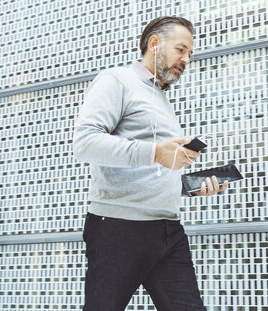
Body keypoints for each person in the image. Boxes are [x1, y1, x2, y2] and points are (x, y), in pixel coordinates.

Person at [73, 16, 228, 311]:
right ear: (155, 44)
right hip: (118, 230)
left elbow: (150, 170)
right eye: (181, 49)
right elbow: (84, 144)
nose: (186, 59)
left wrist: (190, 188)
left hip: (168, 230)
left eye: (190, 54)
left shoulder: (161, 98)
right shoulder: (116, 80)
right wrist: (156, 153)